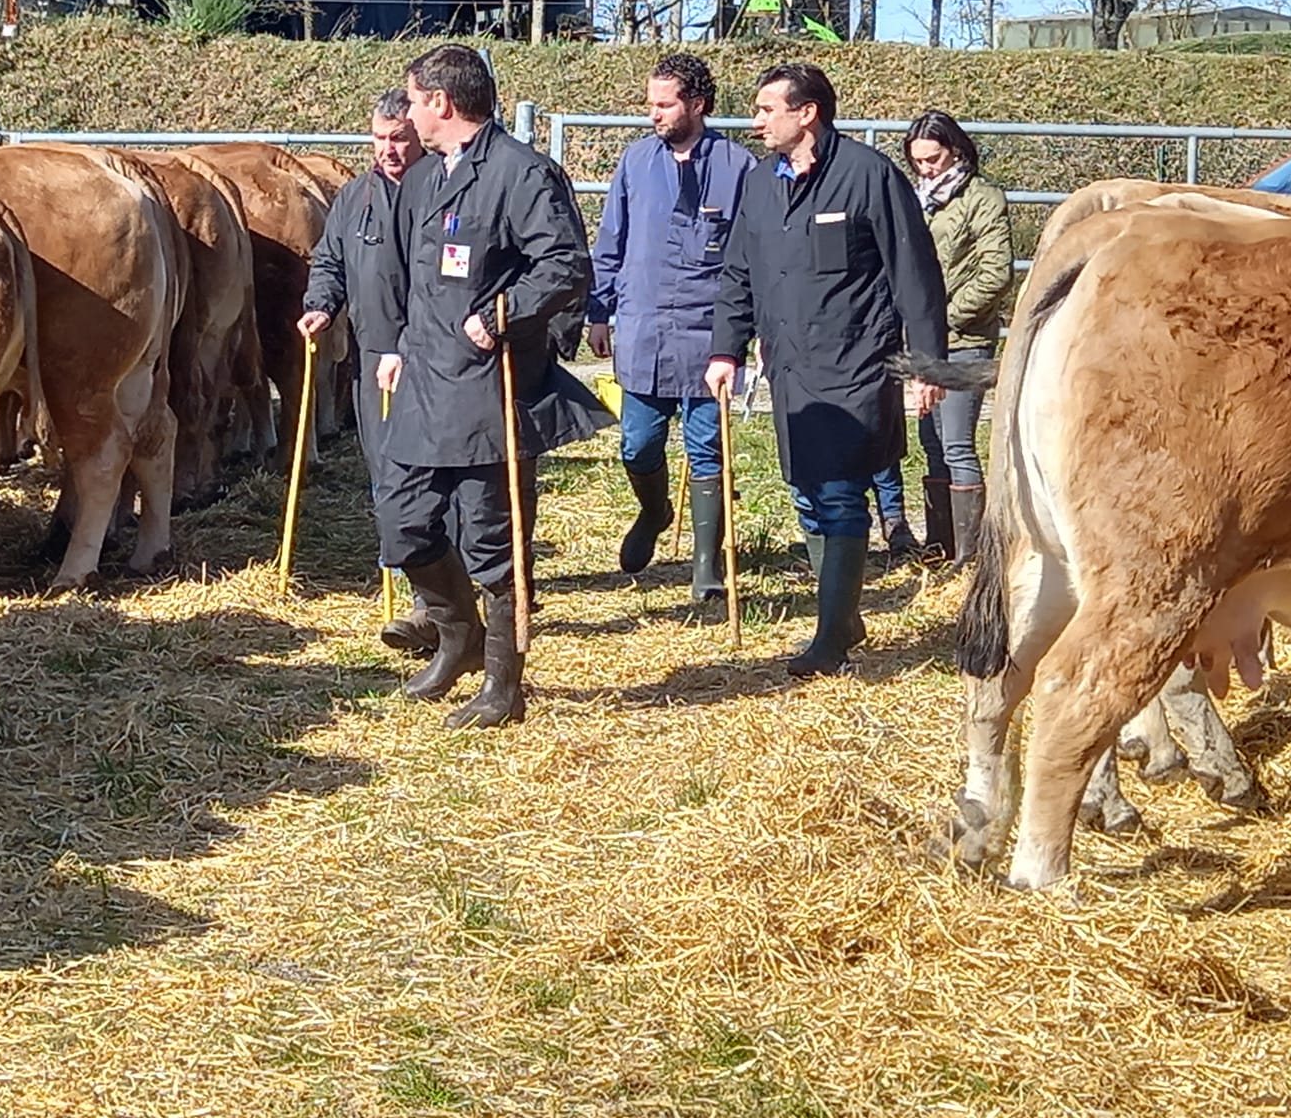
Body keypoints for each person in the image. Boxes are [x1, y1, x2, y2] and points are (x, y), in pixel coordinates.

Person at [375, 44, 612, 726]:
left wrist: (502, 314)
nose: (411, 112)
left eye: (416, 100)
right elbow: (411, 276)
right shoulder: (424, 179)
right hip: (425, 385)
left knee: (494, 544)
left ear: (441, 103)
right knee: (403, 523)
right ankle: (459, 637)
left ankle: (503, 688)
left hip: (490, 390)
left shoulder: (521, 173)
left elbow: (566, 264)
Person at [705, 62, 949, 677]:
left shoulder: (868, 177)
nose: (756, 121)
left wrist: (927, 366)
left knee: (840, 495)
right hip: (788, 367)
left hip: (855, 364)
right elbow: (739, 273)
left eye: (767, 109)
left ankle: (832, 637)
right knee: (808, 493)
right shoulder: (761, 184)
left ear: (806, 113)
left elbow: (915, 276)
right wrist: (725, 348)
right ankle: (842, 612)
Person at [584, 52, 756, 602]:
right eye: (651, 103)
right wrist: (598, 308)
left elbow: (755, 254)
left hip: (709, 334)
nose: (653, 113)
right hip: (643, 328)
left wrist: (754, 327)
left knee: (708, 448)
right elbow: (611, 241)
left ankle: (707, 564)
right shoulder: (636, 163)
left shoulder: (738, 167)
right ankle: (654, 511)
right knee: (638, 444)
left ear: (697, 105)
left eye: (664, 104)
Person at [297, 90, 433, 653]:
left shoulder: (443, 192)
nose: (388, 150)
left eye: (398, 138)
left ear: (420, 135)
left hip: (431, 356)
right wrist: (321, 303)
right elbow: (331, 259)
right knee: (384, 472)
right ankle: (405, 579)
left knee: (426, 471)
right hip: (373, 356)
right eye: (378, 139)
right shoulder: (356, 197)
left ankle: (433, 599)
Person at [903, 109, 1013, 566]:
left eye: (934, 159)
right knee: (930, 442)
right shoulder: (915, 199)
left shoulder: (983, 198)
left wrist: (943, 319)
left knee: (957, 443)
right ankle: (941, 544)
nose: (926, 169)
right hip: (925, 341)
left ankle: (970, 554)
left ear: (956, 151)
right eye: (918, 162)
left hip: (964, 339)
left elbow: (995, 272)